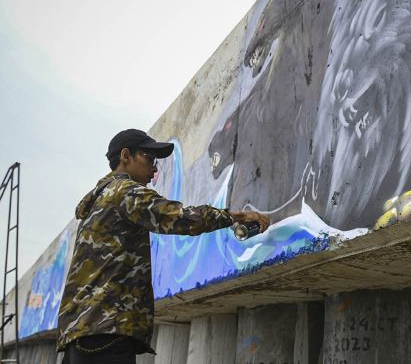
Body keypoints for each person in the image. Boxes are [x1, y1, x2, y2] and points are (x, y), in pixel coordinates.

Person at [56, 129, 270, 363]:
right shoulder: (123, 192)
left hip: (81, 334)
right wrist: (235, 216)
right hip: (105, 331)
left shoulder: (97, 201)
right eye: (149, 158)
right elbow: (178, 217)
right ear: (126, 156)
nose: (155, 169)